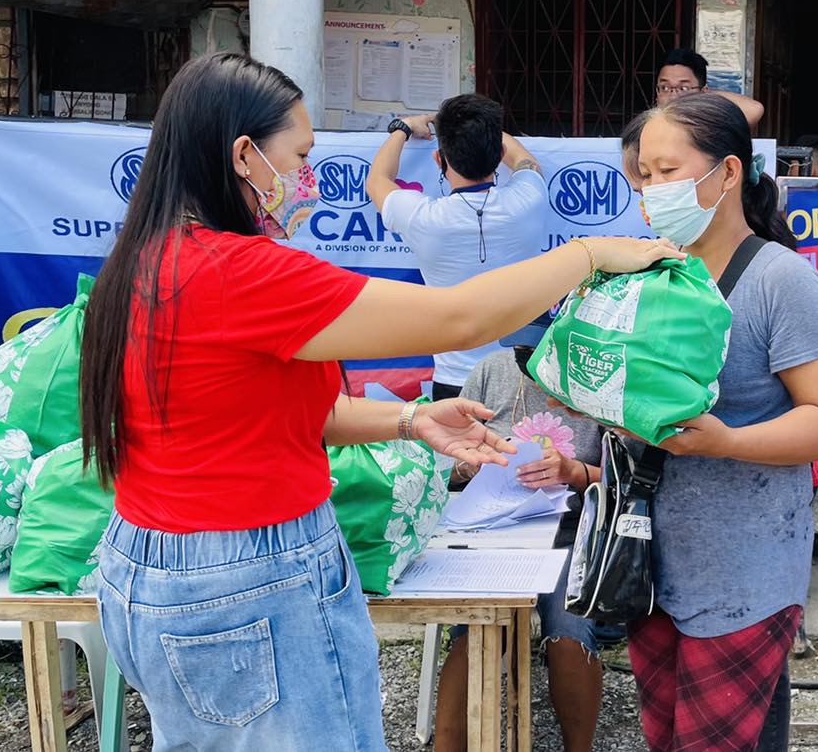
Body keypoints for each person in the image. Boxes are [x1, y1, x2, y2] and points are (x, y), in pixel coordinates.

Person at [77, 52, 678, 752]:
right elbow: (459, 319)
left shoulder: (148, 258)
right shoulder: (239, 272)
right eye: (299, 155)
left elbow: (278, 416)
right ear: (245, 156)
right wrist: (589, 255)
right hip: (248, 575)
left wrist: (411, 418)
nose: (307, 177)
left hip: (159, 561)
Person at [627, 93, 818, 752]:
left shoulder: (782, 283)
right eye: (643, 173)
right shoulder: (653, 272)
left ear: (728, 173)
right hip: (652, 566)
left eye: (667, 171)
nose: (651, 188)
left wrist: (729, 441)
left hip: (745, 574)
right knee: (664, 739)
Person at [434, 316, 606, 752]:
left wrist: (573, 471)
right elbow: (446, 465)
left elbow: (624, 479)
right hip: (490, 531)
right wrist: (469, 463)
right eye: (522, 352)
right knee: (477, 628)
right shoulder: (492, 370)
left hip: (570, 532)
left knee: (569, 632)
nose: (528, 361)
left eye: (541, 352)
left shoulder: (601, 381)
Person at [366, 94, 547, 399]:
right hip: (522, 378)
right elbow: (524, 161)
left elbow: (377, 180)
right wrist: (482, 131)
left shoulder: (424, 218)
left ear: (439, 158)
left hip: (455, 384)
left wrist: (403, 128)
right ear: (498, 151)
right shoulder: (528, 199)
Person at [656, 48, 765, 129]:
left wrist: (704, 95)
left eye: (684, 88)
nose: (673, 96)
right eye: (665, 88)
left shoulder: (710, 130)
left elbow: (754, 109)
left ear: (702, 92)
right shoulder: (648, 128)